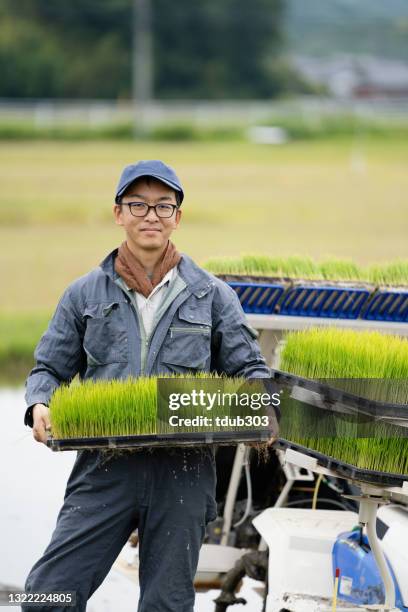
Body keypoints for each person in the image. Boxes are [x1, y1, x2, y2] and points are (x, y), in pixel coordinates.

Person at [23, 159, 272, 612]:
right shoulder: (84, 294)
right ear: (118, 213)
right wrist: (40, 403)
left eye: (163, 206)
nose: (150, 215)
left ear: (178, 216)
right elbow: (48, 370)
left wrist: (262, 411)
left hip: (184, 472)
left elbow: (250, 369)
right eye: (138, 204)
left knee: (166, 605)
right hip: (104, 469)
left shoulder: (213, 295)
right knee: (46, 597)